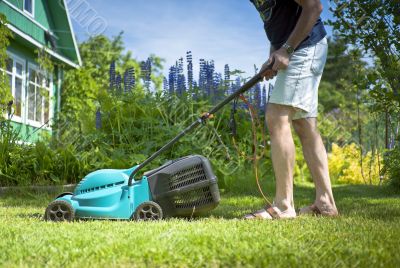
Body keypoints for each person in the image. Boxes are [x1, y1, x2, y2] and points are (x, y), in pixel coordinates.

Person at [245, 0, 338, 219]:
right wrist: (274, 55)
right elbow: (277, 21)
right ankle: (326, 203)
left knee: (277, 116)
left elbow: (314, 7)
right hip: (300, 48)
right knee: (304, 125)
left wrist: (286, 50)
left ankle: (284, 205)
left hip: (305, 46)